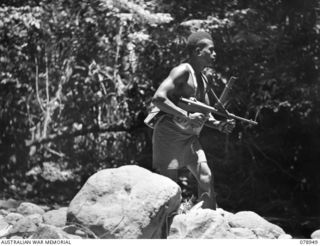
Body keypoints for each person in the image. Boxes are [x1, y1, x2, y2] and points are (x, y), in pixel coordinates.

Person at [150, 31, 235, 210]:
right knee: (169, 187)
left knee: (206, 176)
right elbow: (158, 98)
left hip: (189, 139)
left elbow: (204, 114)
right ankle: (168, 227)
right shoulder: (182, 71)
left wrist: (218, 124)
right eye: (210, 50)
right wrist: (185, 115)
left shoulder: (203, 78)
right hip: (170, 137)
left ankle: (207, 222)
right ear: (198, 51)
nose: (214, 54)